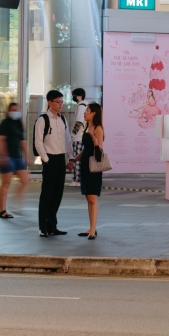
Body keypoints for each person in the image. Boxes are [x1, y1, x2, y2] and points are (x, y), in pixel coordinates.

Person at [33, 89, 72, 237]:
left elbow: (67, 140)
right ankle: (43, 226)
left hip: (61, 159)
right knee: (47, 194)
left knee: (58, 194)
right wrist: (46, 159)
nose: (61, 104)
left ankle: (52, 225)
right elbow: (38, 142)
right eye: (58, 102)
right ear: (50, 103)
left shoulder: (62, 119)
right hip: (50, 159)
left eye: (62, 102)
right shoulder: (43, 119)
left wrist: (71, 158)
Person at [0, 102, 29, 219]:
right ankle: (2, 211)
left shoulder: (19, 123)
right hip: (8, 156)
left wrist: (27, 156)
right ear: (8, 111)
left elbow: (22, 141)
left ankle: (15, 203)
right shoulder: (4, 123)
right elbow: (1, 140)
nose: (15, 112)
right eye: (12, 110)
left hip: (17, 156)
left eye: (16, 110)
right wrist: (3, 155)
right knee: (5, 183)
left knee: (25, 180)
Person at [76, 102, 104, 240]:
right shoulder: (87, 127)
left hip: (94, 167)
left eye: (87, 110)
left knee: (92, 198)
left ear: (93, 113)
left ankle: (93, 230)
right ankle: (91, 227)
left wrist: (94, 139)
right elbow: (85, 150)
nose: (84, 112)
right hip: (85, 165)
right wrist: (73, 160)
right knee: (88, 198)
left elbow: (99, 151)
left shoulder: (98, 128)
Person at [69, 87, 87, 184]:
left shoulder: (81, 106)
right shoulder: (85, 105)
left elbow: (78, 123)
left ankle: (77, 180)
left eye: (74, 96)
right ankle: (78, 179)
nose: (73, 97)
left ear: (79, 96)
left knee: (77, 159)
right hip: (81, 136)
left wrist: (72, 135)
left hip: (79, 137)